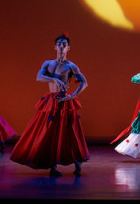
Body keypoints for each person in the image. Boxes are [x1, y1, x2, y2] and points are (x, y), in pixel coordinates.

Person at [10, 33, 89, 176]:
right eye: (59, 44)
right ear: (55, 46)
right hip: (51, 101)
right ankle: (52, 166)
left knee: (68, 131)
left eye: (64, 44)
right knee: (49, 131)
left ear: (68, 48)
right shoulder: (48, 63)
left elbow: (84, 82)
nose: (61, 46)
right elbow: (39, 77)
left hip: (64, 101)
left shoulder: (71, 66)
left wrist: (72, 96)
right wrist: (53, 80)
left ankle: (77, 163)